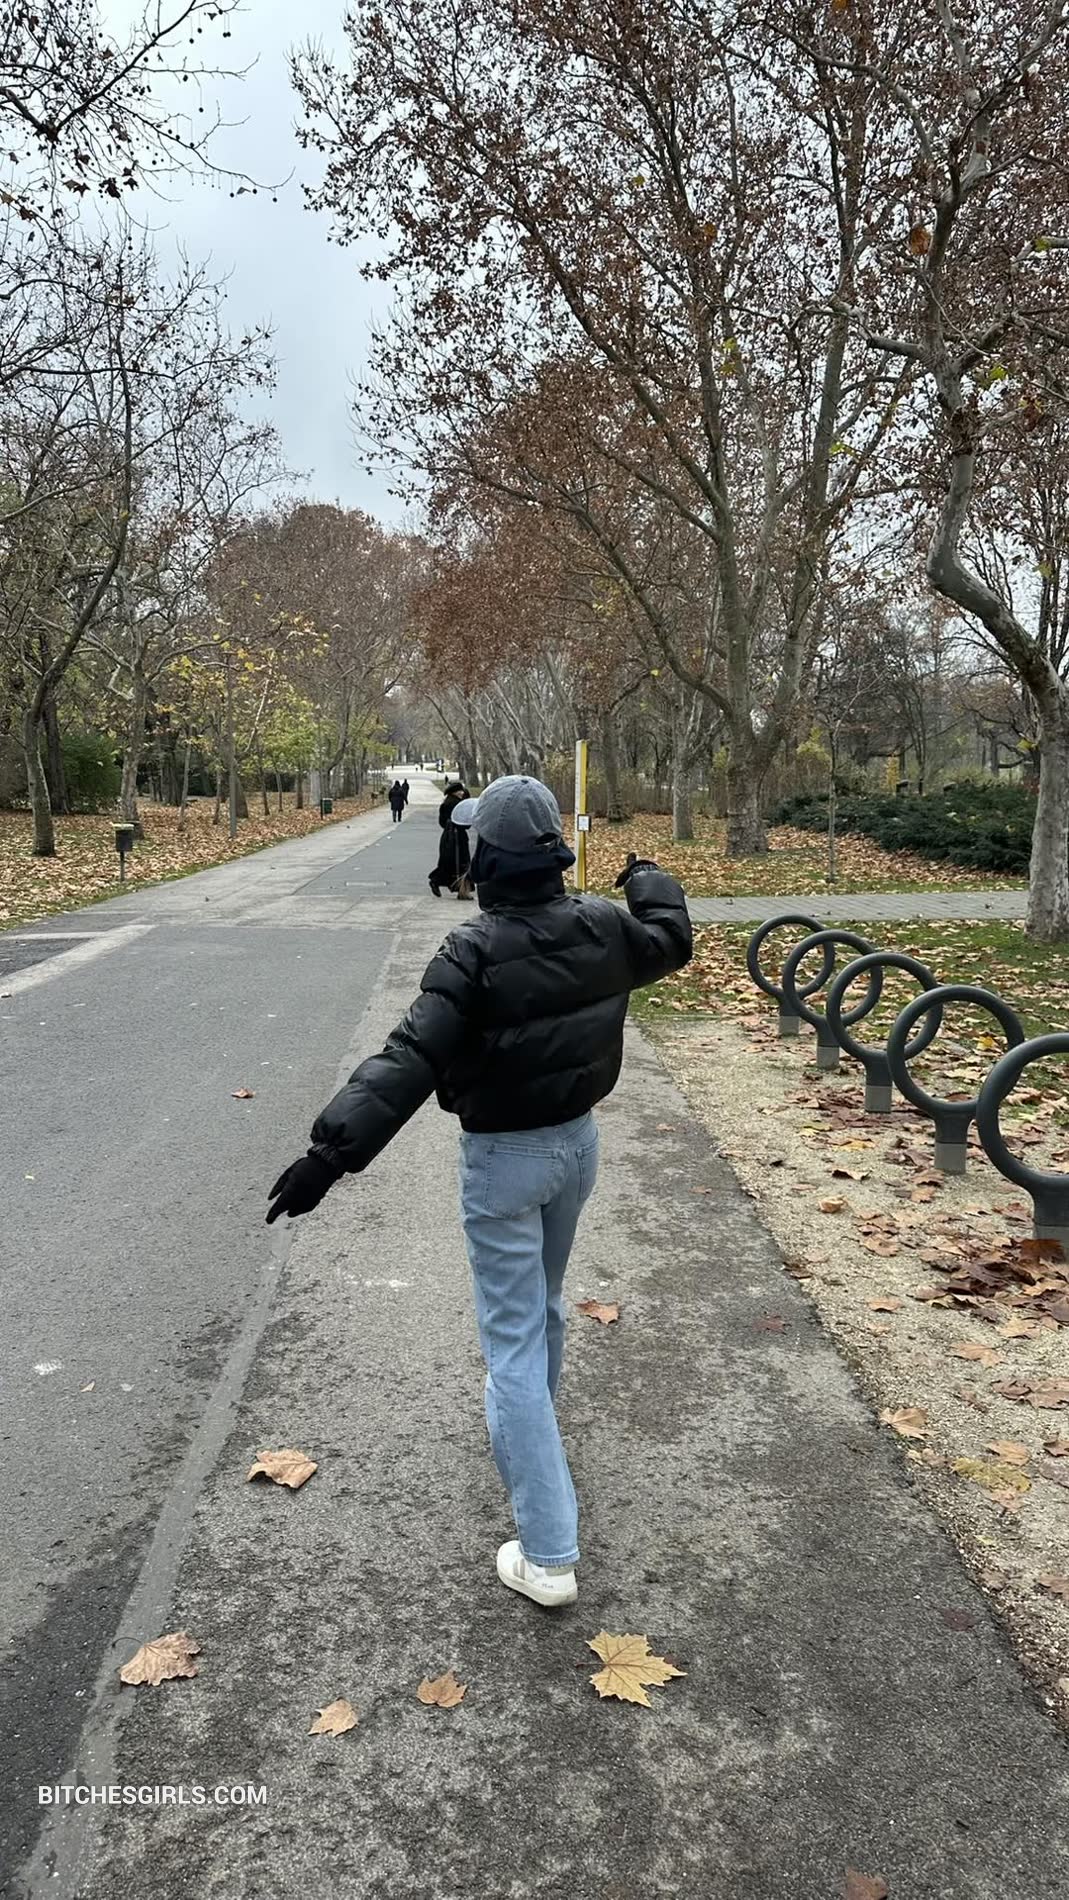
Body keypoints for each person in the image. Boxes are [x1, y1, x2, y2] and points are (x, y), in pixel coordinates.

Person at [266, 775, 692, 1609]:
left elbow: (409, 1057)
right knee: (543, 1308)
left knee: (511, 1343)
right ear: (552, 850)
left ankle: (548, 1553)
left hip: (505, 1160)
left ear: (486, 854)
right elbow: (668, 940)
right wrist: (648, 878)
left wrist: (328, 1156)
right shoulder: (601, 923)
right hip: (576, 1146)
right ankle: (532, 1432)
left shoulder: (473, 950)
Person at [428, 779, 470, 895]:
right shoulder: (456, 804)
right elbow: (462, 821)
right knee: (457, 862)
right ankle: (459, 888)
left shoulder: (447, 803)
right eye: (460, 791)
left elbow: (442, 822)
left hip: (449, 836)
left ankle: (458, 888)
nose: (462, 793)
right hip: (455, 837)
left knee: (450, 863)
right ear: (454, 792)